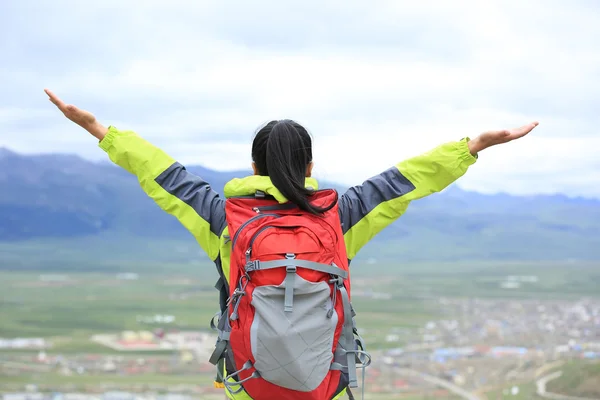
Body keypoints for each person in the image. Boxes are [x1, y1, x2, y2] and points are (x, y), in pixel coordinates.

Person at [44, 89, 538, 400]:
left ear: (254, 166)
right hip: (323, 381)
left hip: (250, 384)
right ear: (310, 165)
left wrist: (99, 131)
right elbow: (400, 182)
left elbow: (163, 176)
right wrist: (470, 147)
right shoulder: (338, 217)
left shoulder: (225, 219)